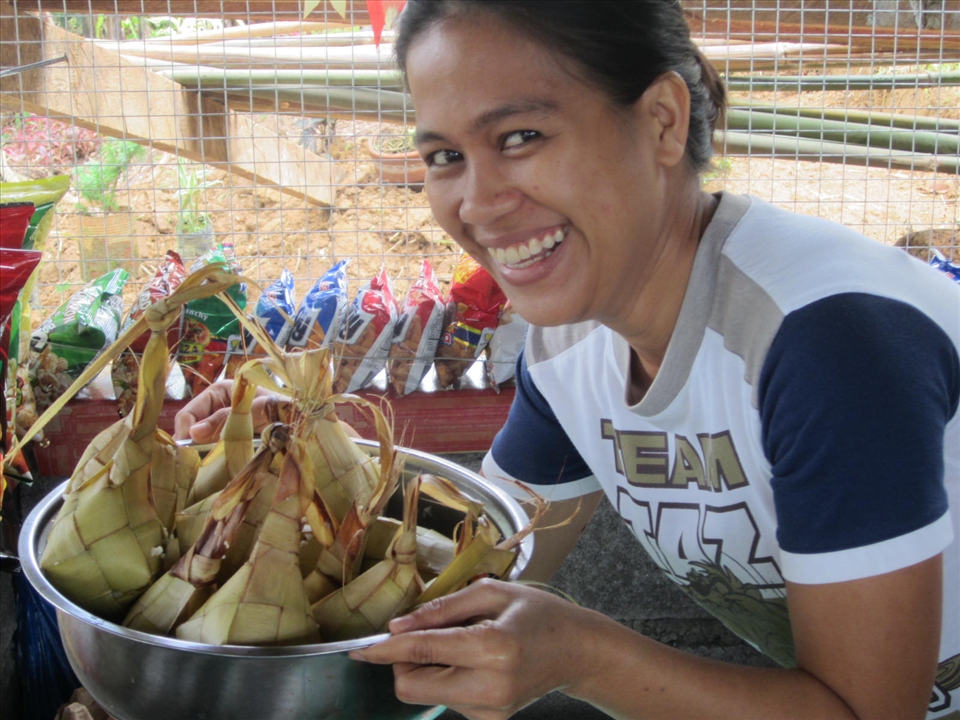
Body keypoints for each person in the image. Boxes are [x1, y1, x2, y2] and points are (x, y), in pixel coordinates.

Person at [175, 1, 960, 718]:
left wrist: (585, 655)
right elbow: (481, 556)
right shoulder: (574, 339)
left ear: (661, 122)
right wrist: (288, 455)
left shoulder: (825, 342)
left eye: (520, 138)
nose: (477, 203)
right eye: (446, 155)